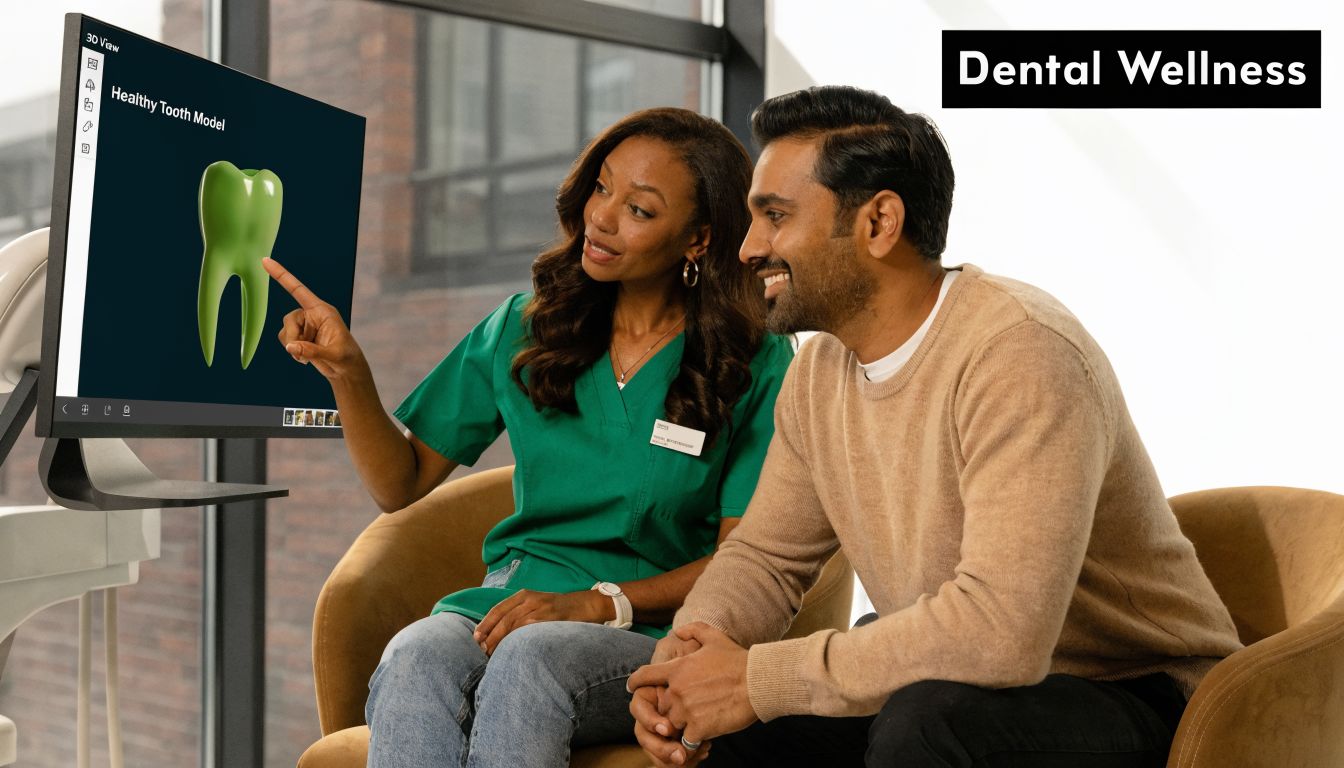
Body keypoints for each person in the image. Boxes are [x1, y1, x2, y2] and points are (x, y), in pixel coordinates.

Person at [627, 86, 1243, 768]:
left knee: (923, 724)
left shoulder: (1019, 352)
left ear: (879, 222)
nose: (748, 247)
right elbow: (766, 557)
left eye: (776, 216)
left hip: (1138, 692)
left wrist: (757, 679)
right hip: (960, 682)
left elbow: (1001, 631)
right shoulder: (819, 371)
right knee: (735, 727)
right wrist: (685, 663)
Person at [261, 108, 794, 767]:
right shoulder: (525, 326)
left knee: (531, 659)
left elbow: (746, 562)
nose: (601, 218)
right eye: (601, 188)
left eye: (639, 209)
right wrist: (348, 372)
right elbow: (398, 482)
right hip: (507, 607)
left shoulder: (755, 360)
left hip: (652, 628)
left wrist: (598, 605)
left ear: (698, 239)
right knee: (416, 654)